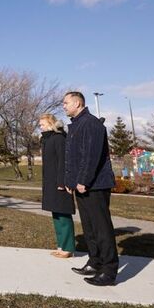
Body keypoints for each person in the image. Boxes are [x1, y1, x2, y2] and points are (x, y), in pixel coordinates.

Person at [62, 91, 118, 286]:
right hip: (82, 185)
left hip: (95, 185)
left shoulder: (91, 123)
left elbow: (91, 156)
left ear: (77, 103)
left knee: (102, 228)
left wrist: (83, 180)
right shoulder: (77, 125)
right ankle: (95, 262)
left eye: (66, 103)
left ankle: (109, 271)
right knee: (89, 227)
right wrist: (70, 182)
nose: (63, 106)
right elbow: (73, 158)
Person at [39, 113, 76, 259]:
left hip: (59, 183)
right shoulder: (47, 139)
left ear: (50, 124)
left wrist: (62, 182)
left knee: (63, 215)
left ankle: (68, 248)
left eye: (42, 124)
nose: (40, 127)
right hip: (50, 182)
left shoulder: (59, 138)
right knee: (56, 214)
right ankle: (61, 245)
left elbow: (63, 161)